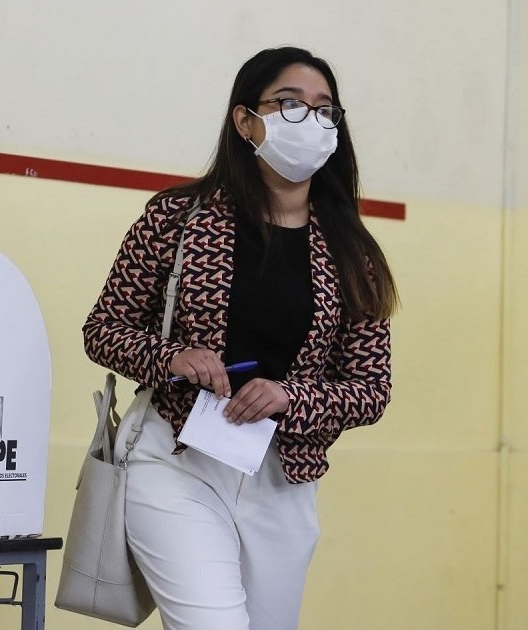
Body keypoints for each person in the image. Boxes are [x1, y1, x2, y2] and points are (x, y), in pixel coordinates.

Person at [82, 46, 398, 630]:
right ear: (245, 120)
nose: (311, 121)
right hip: (176, 456)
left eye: (325, 110)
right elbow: (104, 330)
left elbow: (370, 388)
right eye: (290, 104)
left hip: (283, 475)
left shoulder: (352, 251)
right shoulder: (176, 218)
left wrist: (290, 396)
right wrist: (172, 357)